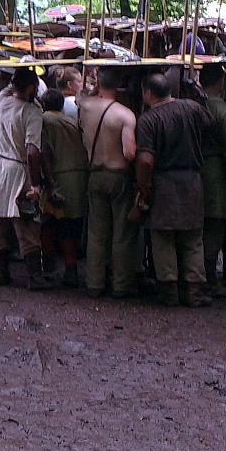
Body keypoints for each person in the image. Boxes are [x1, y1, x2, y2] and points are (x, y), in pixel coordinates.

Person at [135, 72, 215, 306]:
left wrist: (143, 187)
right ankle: (195, 292)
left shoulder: (148, 120)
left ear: (148, 93)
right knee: (193, 239)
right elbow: (211, 125)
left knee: (163, 238)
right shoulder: (192, 107)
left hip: (164, 183)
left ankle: (169, 292)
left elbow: (146, 160)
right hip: (192, 180)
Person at [0, 68, 52, 289]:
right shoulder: (32, 113)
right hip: (18, 170)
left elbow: (9, 88)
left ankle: (1, 272)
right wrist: (35, 184)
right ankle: (34, 277)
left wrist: (20, 74)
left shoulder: (2, 101)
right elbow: (32, 151)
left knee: (0, 222)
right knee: (27, 225)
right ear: (31, 88)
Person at [78, 67, 138, 298]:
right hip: (118, 175)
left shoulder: (85, 107)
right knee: (121, 233)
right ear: (120, 84)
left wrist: (93, 84)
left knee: (96, 232)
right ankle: (120, 285)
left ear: (99, 83)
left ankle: (94, 283)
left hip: (95, 174)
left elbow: (81, 94)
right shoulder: (125, 115)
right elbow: (130, 153)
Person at [198, 65, 226, 298]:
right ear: (220, 81)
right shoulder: (225, 111)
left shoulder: (193, 104)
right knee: (213, 227)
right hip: (215, 173)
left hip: (195, 170)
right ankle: (208, 279)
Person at [39, 89, 88, 287]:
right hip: (79, 177)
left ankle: (51, 267)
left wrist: (50, 184)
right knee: (69, 227)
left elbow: (45, 152)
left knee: (48, 224)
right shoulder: (71, 121)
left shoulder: (43, 121)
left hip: (59, 177)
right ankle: (70, 269)